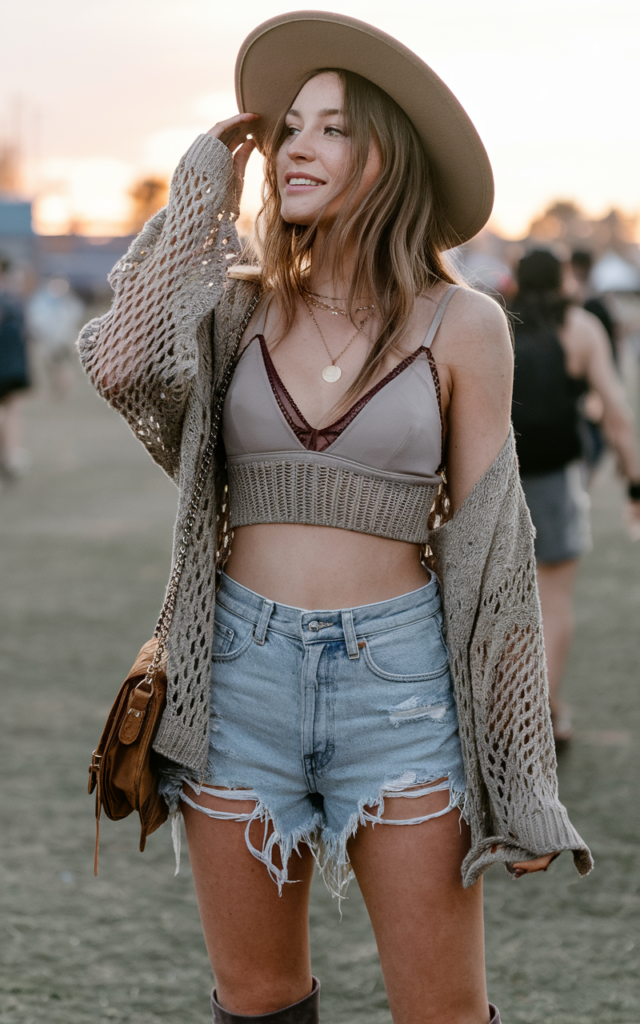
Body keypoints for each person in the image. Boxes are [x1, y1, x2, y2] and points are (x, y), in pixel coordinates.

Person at [78, 13, 593, 1024]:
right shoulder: (234, 308)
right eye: (289, 128)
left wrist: (522, 773)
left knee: (442, 1010)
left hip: (398, 690)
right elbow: (119, 361)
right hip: (236, 680)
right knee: (260, 1000)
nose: (295, 146)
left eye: (331, 128)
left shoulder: (462, 323)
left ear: (387, 157)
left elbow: (491, 555)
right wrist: (195, 200)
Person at [512, 250, 640, 745]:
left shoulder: (496, 321)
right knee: (555, 601)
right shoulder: (581, 327)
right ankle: (544, 710)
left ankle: (500, 709)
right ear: (563, 279)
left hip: (494, 477)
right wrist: (634, 483)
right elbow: (617, 413)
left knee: (495, 602)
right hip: (557, 477)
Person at [0, 257, 31, 481]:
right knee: (12, 410)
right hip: (11, 362)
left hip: (10, 360)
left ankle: (9, 457)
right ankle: (10, 456)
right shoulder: (12, 297)